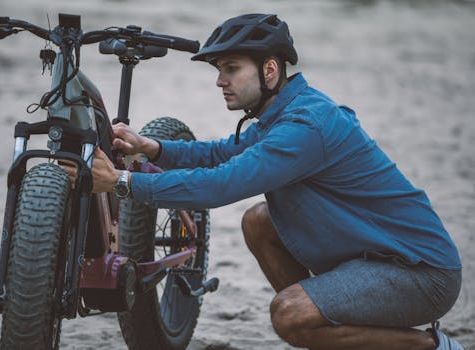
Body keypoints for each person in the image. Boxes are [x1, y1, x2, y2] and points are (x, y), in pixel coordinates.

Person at [64, 13, 464, 349]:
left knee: (288, 316)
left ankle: (431, 345)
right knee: (258, 221)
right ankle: (333, 332)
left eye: (232, 69)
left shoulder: (304, 127)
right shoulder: (282, 113)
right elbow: (223, 153)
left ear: (270, 69)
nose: (221, 80)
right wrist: (153, 148)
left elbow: (220, 186)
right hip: (370, 253)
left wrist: (121, 182)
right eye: (220, 71)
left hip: (420, 273)